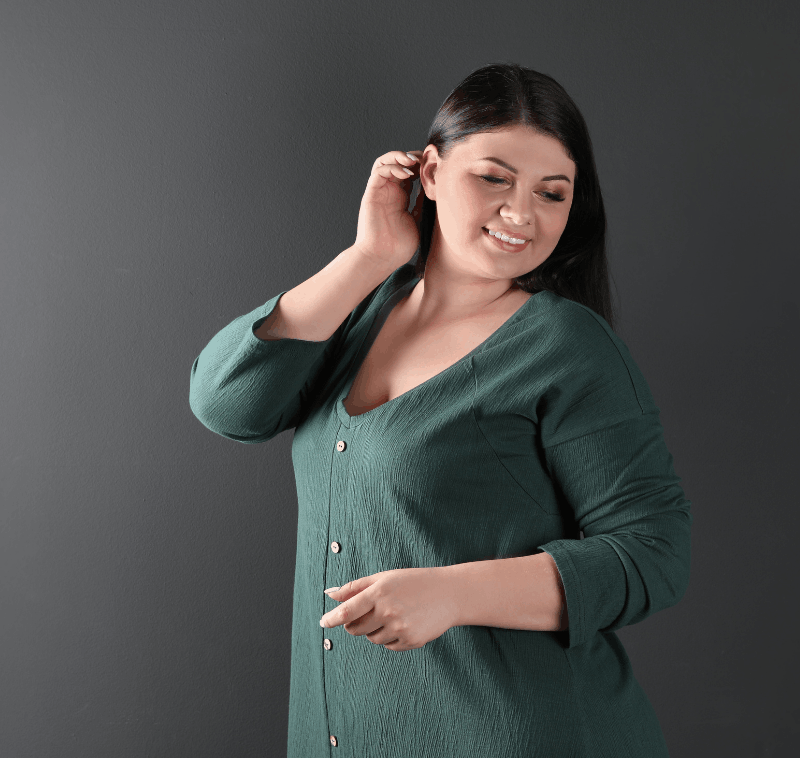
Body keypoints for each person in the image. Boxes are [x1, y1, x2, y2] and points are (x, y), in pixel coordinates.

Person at [189, 61, 692, 758]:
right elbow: (225, 403)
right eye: (494, 178)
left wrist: (453, 594)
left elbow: (654, 555)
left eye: (553, 193)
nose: (523, 214)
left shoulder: (567, 347)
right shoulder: (363, 308)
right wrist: (369, 256)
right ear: (428, 173)